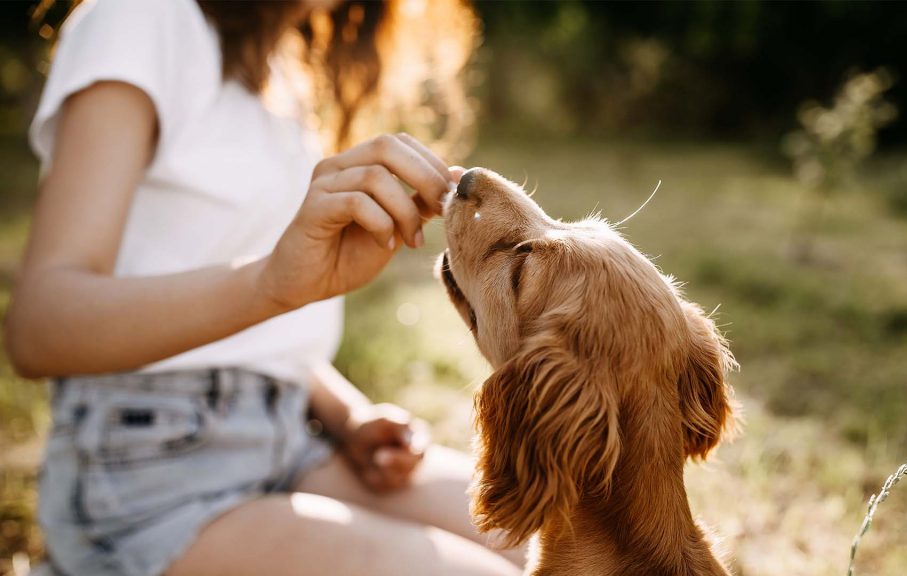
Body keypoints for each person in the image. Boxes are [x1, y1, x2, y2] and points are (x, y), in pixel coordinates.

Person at [3, 0, 522, 574]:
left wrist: (346, 416)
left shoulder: (280, 70)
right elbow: (39, 328)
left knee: (559, 539)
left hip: (293, 439)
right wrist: (271, 283)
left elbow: (246, 338)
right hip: (146, 475)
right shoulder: (141, 18)